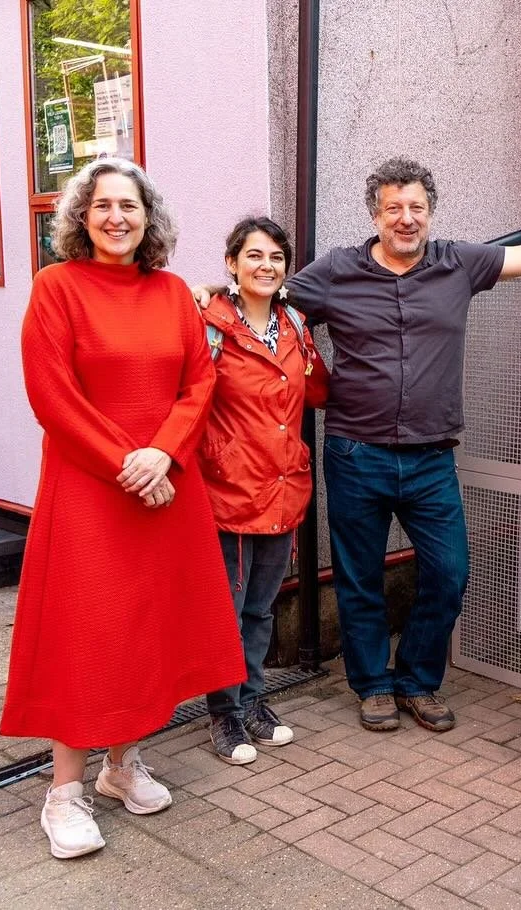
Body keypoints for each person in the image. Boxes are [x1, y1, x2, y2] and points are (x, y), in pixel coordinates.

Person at [283, 157, 521, 734]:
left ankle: (416, 679)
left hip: (432, 457)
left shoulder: (457, 262)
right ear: (375, 215)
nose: (406, 220)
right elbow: (267, 296)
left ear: (430, 213)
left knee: (450, 570)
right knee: (358, 576)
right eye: (394, 209)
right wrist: (199, 295)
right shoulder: (336, 271)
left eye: (416, 208)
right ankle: (372, 685)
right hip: (355, 452)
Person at [0, 158, 245, 859]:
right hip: (89, 493)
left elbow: (199, 384)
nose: (116, 217)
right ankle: (63, 794)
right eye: (102, 205)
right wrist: (128, 464)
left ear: (148, 219)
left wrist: (163, 454)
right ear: (82, 217)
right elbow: (52, 396)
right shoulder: (56, 288)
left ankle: (120, 767)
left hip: (165, 487)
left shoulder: (171, 292)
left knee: (147, 631)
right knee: (89, 633)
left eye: (129, 206)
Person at [199, 217, 330, 764]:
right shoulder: (209, 322)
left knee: (261, 608)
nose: (266, 266)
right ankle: (223, 713)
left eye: (276, 258)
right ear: (232, 263)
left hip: (282, 486)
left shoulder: (296, 324)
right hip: (228, 487)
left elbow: (316, 392)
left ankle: (254, 699)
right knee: (226, 610)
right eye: (254, 256)